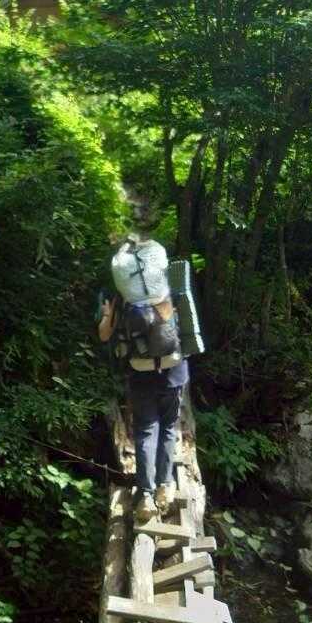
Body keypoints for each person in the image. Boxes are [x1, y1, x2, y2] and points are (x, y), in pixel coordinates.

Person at [97, 194, 189, 523]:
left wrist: (107, 314)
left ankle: (146, 495)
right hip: (173, 368)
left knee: (147, 430)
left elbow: (104, 335)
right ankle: (165, 487)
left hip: (139, 371)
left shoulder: (118, 297)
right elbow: (185, 323)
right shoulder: (166, 287)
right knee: (169, 429)